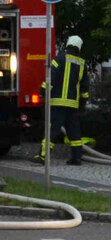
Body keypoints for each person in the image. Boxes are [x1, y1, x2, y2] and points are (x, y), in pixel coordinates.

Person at [34, 35, 90, 166]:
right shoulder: (82, 63)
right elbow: (84, 87)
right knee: (74, 131)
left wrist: (43, 91)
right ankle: (77, 158)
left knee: (52, 129)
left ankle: (43, 156)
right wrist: (83, 103)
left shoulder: (60, 58)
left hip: (58, 102)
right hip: (73, 105)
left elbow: (51, 77)